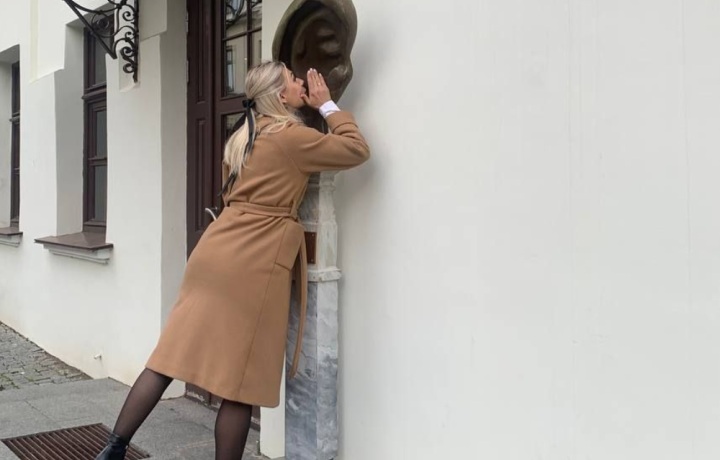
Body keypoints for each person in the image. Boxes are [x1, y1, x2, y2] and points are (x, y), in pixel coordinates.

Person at [95, 61, 370, 460]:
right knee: (240, 382)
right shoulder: (292, 137)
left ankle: (112, 450)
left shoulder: (243, 136)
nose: (301, 82)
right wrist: (327, 104)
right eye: (293, 79)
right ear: (280, 95)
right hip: (255, 261)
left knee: (168, 358)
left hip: (214, 252)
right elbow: (356, 149)